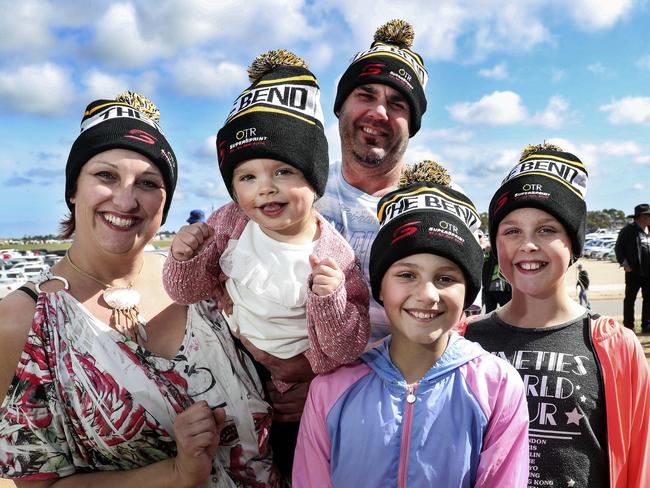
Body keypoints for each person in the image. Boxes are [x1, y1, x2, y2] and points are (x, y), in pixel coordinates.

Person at [0, 92, 277, 487]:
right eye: (106, 176)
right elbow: (40, 482)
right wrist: (176, 474)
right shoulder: (24, 320)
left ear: (164, 204)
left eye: (147, 183)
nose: (126, 199)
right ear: (73, 189)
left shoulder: (199, 284)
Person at [163, 51, 370, 479]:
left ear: (313, 180)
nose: (265, 189)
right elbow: (185, 292)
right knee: (240, 466)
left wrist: (329, 300)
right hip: (232, 370)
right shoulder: (229, 223)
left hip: (299, 390)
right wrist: (186, 256)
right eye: (248, 177)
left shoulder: (333, 254)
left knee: (298, 467)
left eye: (283, 171)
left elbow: (346, 346)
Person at [293, 162, 530, 487]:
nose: (427, 294)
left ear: (468, 294)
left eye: (446, 278)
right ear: (380, 286)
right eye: (407, 275)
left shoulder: (498, 388)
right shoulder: (331, 390)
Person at [461, 144, 650, 487]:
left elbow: (638, 462)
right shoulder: (463, 340)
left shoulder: (614, 346)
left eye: (547, 230)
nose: (527, 245)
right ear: (496, 244)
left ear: (573, 243)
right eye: (511, 230)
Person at [315, 19, 430, 342]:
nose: (379, 112)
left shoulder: (436, 207)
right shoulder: (300, 191)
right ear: (340, 108)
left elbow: (454, 329)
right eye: (366, 95)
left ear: (412, 124)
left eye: (397, 104)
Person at [615, 203, 650, 333]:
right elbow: (619, 248)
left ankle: (646, 325)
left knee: (648, 299)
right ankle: (629, 326)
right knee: (630, 299)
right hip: (633, 272)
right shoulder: (628, 230)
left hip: (648, 272)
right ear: (641, 217)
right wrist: (625, 264)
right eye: (648, 215)